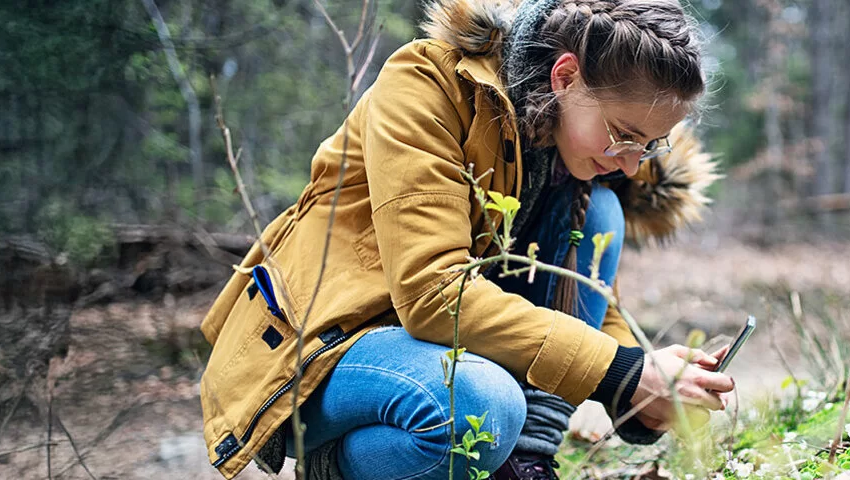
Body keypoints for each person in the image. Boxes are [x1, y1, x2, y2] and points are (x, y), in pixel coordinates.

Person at [197, 0, 729, 478]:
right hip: (324, 350)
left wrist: (646, 390)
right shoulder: (426, 86)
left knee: (604, 211)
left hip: (434, 353)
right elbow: (434, 294)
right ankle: (334, 469)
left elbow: (579, 295)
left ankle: (526, 460)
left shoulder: (569, 158)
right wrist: (622, 374)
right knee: (481, 405)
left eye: (651, 145)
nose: (633, 163)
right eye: (624, 135)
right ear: (565, 76)